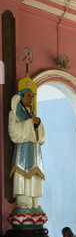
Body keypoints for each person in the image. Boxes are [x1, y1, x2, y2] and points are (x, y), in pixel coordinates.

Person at [8, 78, 45, 209]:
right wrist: (30, 124)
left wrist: (37, 124)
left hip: (34, 151)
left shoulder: (32, 115)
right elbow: (14, 133)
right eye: (28, 95)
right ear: (21, 98)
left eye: (32, 96)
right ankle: (24, 200)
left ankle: (34, 199)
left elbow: (41, 138)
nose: (31, 98)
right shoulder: (16, 115)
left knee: (35, 173)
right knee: (22, 172)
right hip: (22, 150)